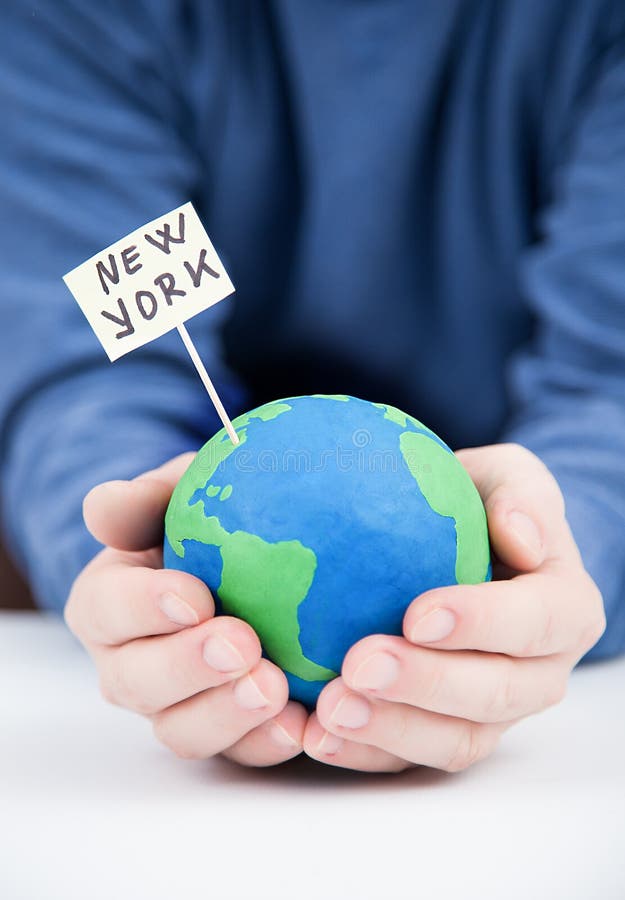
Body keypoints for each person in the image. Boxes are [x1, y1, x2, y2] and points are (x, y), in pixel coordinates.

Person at [0, 0, 621, 773]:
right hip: (206, 593)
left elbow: (613, 382)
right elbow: (87, 374)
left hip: (491, 549)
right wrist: (136, 572)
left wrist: (561, 550)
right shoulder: (66, 14)